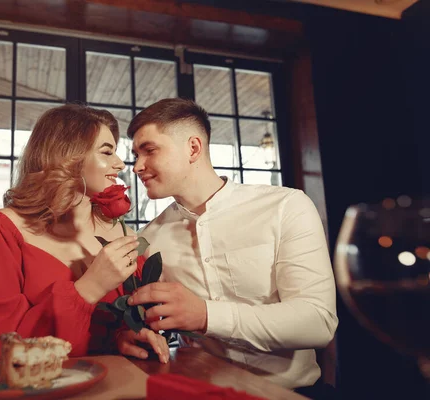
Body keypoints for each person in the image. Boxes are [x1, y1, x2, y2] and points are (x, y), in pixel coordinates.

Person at [126, 98, 338, 394]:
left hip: (293, 393)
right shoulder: (151, 238)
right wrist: (134, 334)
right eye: (135, 154)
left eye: (149, 150)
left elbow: (318, 322)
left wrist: (206, 315)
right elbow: (153, 324)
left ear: (193, 148)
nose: (137, 166)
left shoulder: (287, 206)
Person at [0, 104, 169, 365]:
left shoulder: (124, 235)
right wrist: (89, 287)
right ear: (69, 155)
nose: (121, 164)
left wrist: (122, 339)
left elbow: (123, 323)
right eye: (106, 152)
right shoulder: (1, 230)